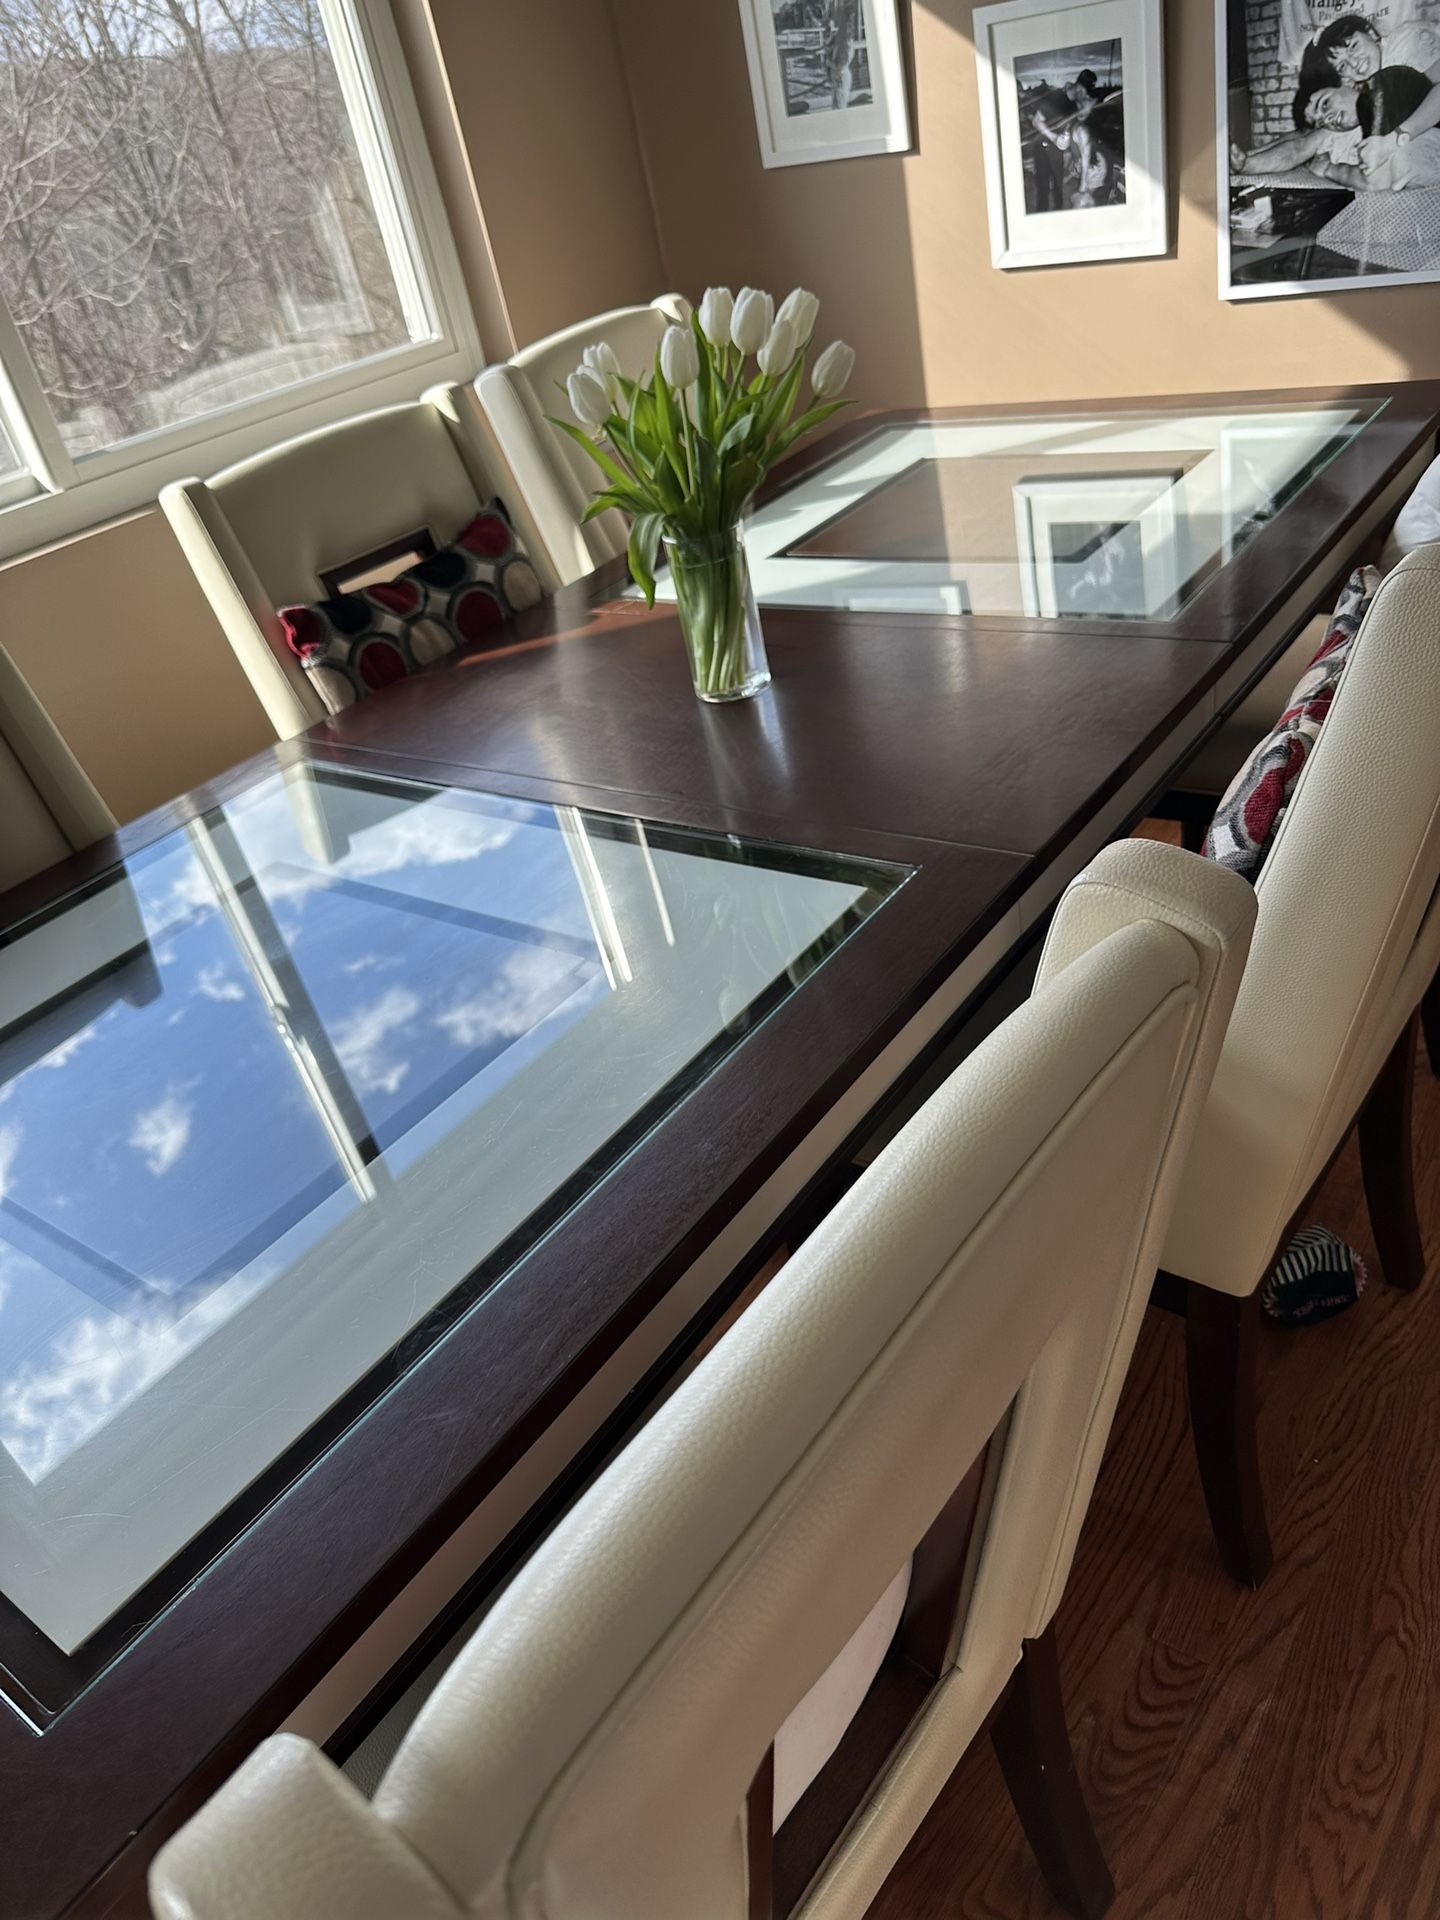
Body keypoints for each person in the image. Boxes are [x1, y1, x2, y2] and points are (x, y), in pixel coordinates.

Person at [1234, 64, 1440, 189]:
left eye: (1325, 104)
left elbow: (1374, 182)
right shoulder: (1344, 124)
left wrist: (1328, 169)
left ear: (1348, 83)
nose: (1328, 118)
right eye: (1321, 121)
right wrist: (1248, 163)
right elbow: (1298, 145)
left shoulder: (1391, 84)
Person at [1312, 11, 1440, 172]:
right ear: (1344, 78)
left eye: (1353, 46)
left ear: (1371, 33)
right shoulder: (1371, 86)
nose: (1354, 62)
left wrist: (1392, 141)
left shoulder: (1405, 40)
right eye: (1342, 66)